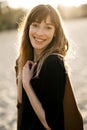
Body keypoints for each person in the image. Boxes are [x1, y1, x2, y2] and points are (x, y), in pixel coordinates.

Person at [15, 4, 69, 130]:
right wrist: (21, 64)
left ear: (55, 32)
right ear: (28, 27)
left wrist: (27, 85)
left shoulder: (53, 63)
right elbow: (21, 103)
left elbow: (50, 124)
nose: (40, 33)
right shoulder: (27, 61)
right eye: (35, 25)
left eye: (48, 27)